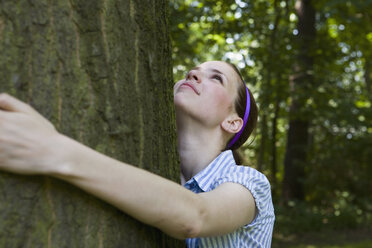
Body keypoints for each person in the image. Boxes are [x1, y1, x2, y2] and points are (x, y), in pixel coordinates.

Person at [0, 61, 275, 247]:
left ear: (232, 122)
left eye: (216, 78)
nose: (192, 74)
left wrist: (52, 149)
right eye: (193, 70)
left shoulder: (251, 184)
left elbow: (196, 216)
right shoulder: (152, 171)